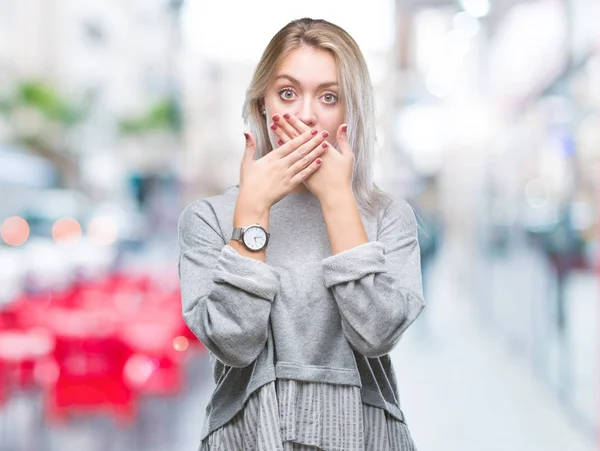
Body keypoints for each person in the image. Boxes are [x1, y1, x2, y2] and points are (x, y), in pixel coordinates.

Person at [178, 18, 425, 451]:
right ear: (262, 106)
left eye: (329, 97)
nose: (307, 115)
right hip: (250, 436)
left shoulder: (388, 217)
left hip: (365, 436)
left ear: (352, 112)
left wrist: (337, 200)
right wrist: (253, 212)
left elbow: (378, 335)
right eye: (288, 93)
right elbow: (232, 344)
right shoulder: (209, 219)